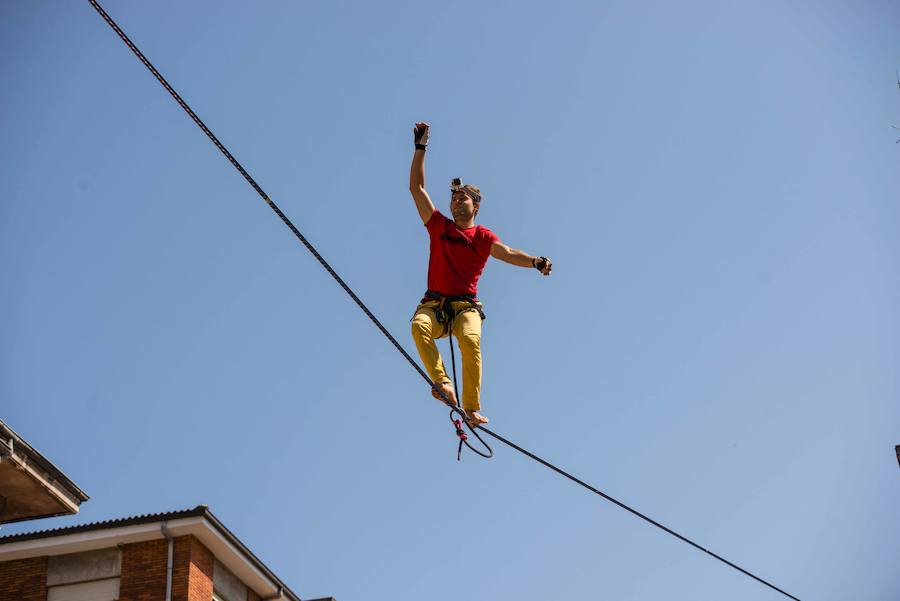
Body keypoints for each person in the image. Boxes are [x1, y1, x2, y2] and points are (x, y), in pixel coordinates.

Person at [409, 122, 552, 427]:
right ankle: (442, 383)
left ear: (475, 205)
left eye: (462, 198)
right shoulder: (439, 226)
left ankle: (471, 408)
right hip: (434, 306)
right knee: (418, 325)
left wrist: (535, 262)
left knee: (470, 339)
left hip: (465, 307)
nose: (455, 201)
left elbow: (509, 253)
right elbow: (417, 189)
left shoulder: (483, 237)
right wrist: (420, 149)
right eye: (453, 198)